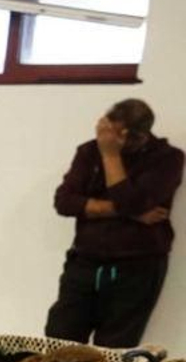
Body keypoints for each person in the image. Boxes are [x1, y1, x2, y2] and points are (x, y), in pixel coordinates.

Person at [45, 99, 182, 347]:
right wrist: (130, 213)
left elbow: (129, 200)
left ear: (139, 136)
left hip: (137, 268)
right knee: (60, 340)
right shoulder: (88, 152)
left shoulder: (168, 159)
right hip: (85, 262)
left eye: (116, 136)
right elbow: (64, 202)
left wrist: (110, 156)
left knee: (115, 350)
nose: (108, 139)